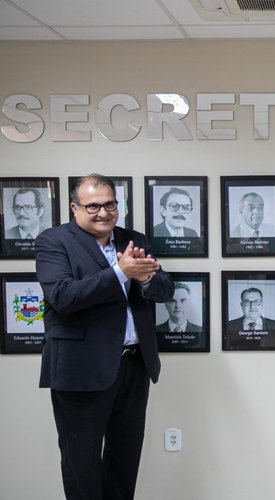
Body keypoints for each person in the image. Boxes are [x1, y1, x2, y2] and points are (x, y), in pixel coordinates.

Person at [35, 173, 174, 500]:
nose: (103, 213)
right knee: (80, 464)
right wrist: (121, 273)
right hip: (79, 369)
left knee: (124, 460)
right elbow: (64, 297)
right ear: (74, 207)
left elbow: (165, 288)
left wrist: (144, 280)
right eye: (93, 206)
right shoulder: (53, 241)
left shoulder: (132, 238)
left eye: (110, 204)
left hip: (134, 365)